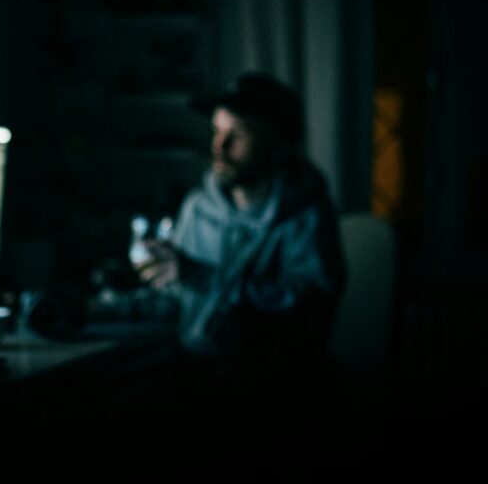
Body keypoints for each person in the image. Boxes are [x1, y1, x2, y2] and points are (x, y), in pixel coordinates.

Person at [135, 73, 347, 411]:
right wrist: (122, 298)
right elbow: (177, 301)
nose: (219, 146)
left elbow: (307, 305)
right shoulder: (199, 207)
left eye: (238, 135)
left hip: (274, 388)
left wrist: (198, 275)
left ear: (277, 146)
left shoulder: (306, 215)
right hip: (192, 375)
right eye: (217, 131)